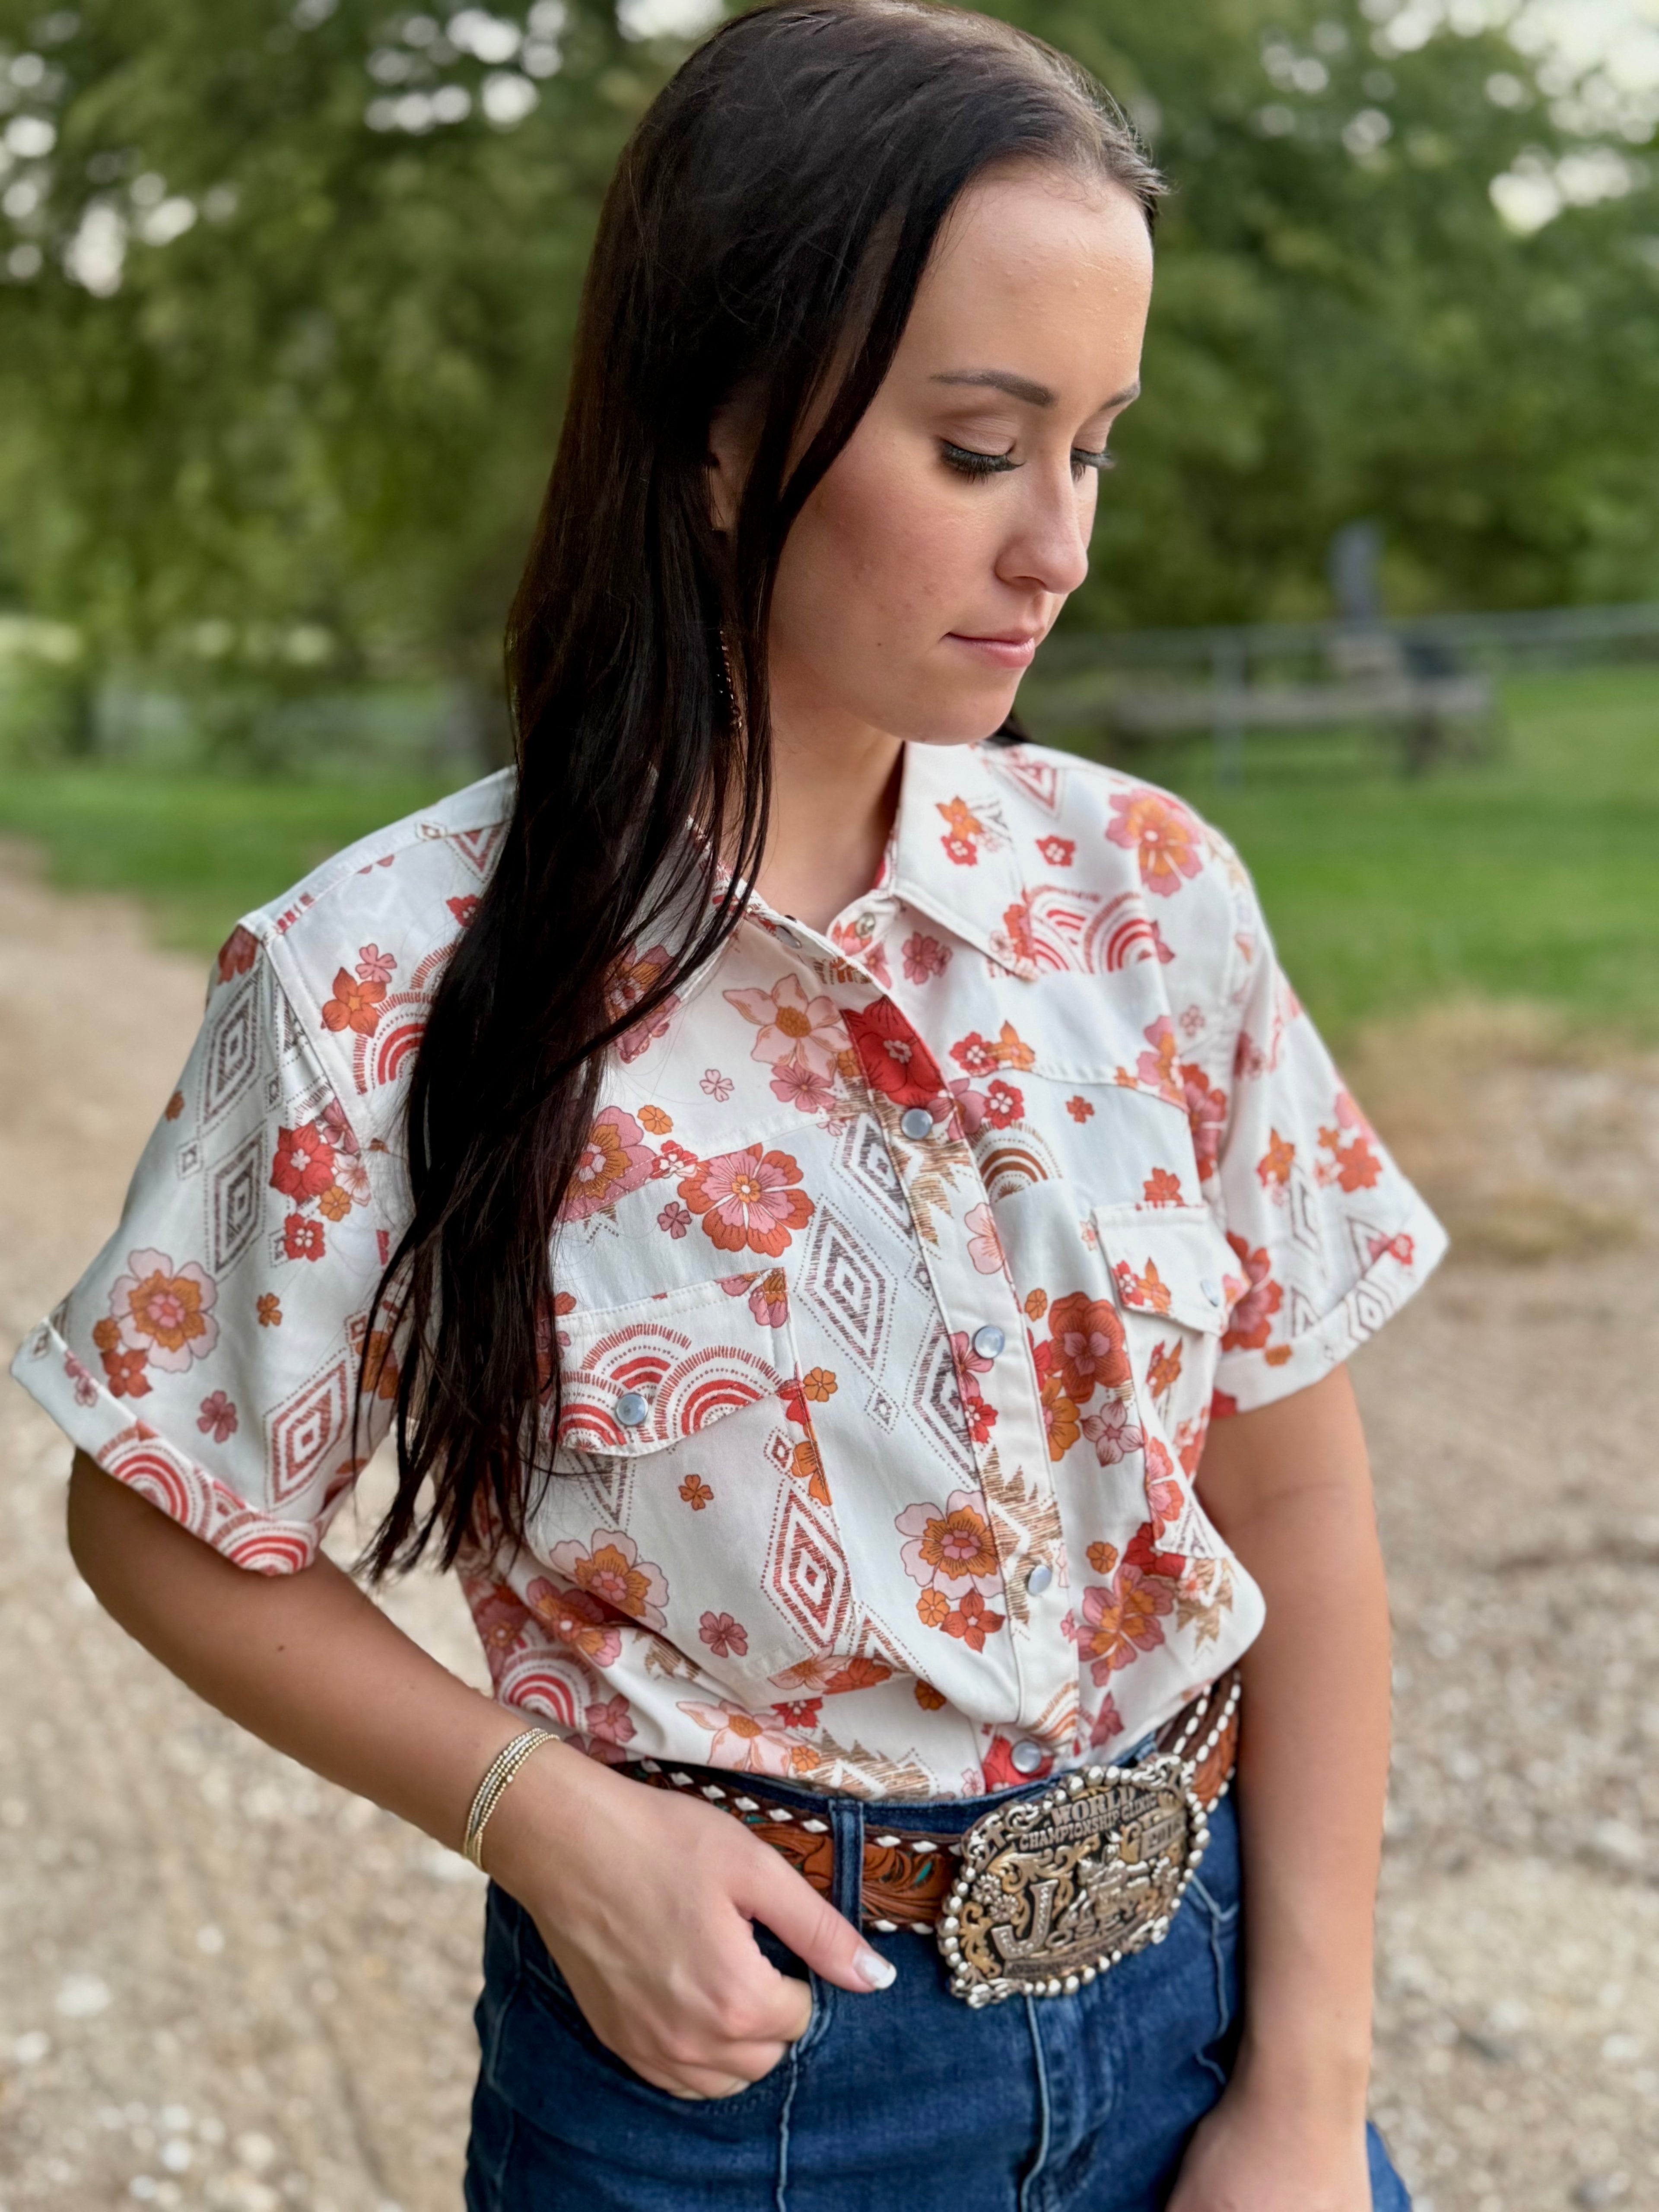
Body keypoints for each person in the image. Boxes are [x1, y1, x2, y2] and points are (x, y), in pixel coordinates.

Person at [11, 4, 1446, 2206]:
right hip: (741, 2093)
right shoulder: (379, 979)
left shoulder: (1153, 899)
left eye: (1097, 449)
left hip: (1206, 2016)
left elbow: (1301, 1514)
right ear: (713, 425)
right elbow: (156, 1510)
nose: (1056, 545)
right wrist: (544, 1817)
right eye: (982, 450)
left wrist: (1297, 2091)